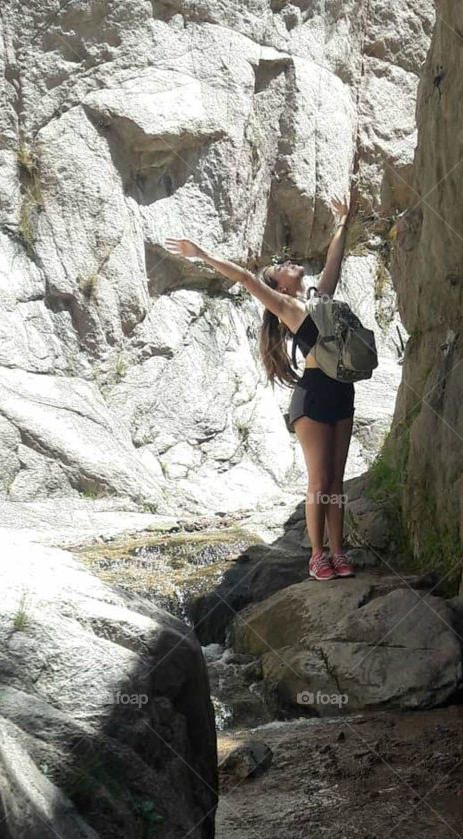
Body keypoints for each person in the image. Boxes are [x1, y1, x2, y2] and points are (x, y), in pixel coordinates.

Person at [166, 194, 358, 581]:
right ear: (279, 286)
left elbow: (334, 266)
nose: (286, 263)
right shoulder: (287, 307)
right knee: (319, 481)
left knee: (336, 481)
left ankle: (339, 553)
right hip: (314, 396)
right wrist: (201, 254)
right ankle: (317, 555)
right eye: (279, 268)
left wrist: (343, 222)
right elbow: (244, 278)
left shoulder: (318, 300)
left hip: (342, 392)